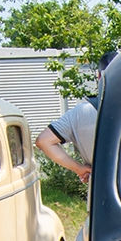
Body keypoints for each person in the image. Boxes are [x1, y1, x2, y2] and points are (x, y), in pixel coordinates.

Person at [35, 50, 116, 183]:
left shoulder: (81, 112)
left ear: (99, 77)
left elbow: (43, 141)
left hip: (101, 189)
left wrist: (79, 168)